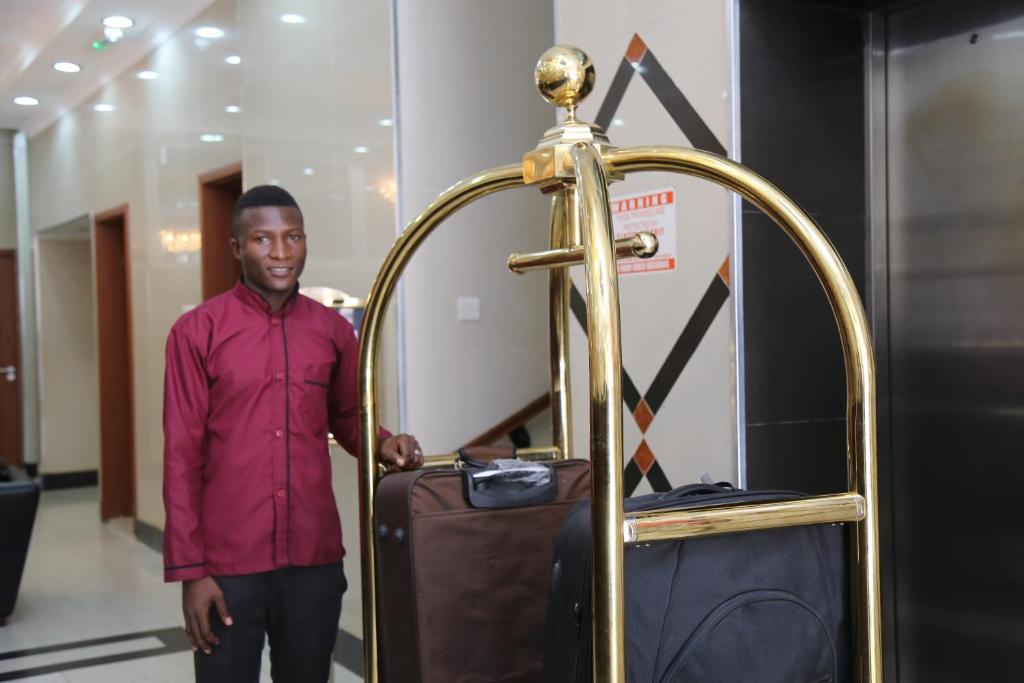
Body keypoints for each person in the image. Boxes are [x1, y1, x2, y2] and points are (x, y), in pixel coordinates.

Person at [162, 185, 422, 682]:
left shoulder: (332, 331)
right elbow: (181, 455)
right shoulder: (197, 333)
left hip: (313, 558)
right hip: (227, 563)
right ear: (237, 248)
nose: (281, 252)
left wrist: (383, 442)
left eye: (293, 237)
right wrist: (191, 573)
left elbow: (347, 417)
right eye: (263, 239)